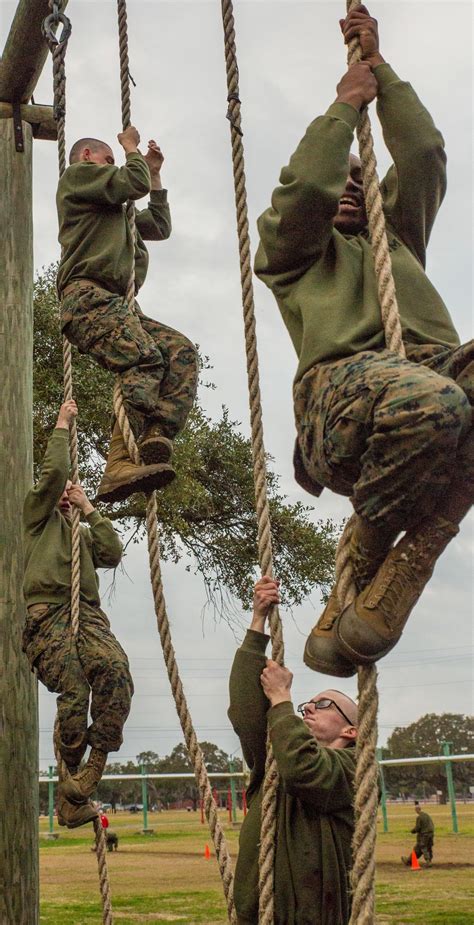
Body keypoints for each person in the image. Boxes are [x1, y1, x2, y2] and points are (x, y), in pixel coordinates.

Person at [254, 4, 473, 678]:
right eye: (339, 181)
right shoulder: (293, 254)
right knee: (435, 402)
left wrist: (381, 68)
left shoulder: (395, 238)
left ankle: (413, 555)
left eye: (361, 178)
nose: (350, 186)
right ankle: (370, 539)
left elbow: (425, 153)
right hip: (345, 404)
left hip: (432, 386)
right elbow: (302, 196)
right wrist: (344, 107)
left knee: (448, 400)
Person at [56, 127, 199, 504]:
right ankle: (117, 463)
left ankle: (155, 435)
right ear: (88, 157)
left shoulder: (118, 213)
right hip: (88, 298)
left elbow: (160, 226)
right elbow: (130, 182)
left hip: (118, 305)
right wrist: (132, 149)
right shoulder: (76, 179)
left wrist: (154, 176)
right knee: (144, 358)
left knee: (180, 353)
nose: (113, 167)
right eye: (109, 161)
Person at [22, 399, 134, 828]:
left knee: (115, 670)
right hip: (47, 616)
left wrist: (88, 508)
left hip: (87, 616)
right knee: (74, 688)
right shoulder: (36, 520)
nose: (64, 495)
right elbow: (51, 476)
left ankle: (89, 774)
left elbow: (112, 552)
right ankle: (68, 775)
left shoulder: (81, 535)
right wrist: (63, 423)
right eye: (62, 493)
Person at [228, 577, 358, 925]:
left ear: (351, 729)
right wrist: (258, 622)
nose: (309, 708)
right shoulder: (275, 761)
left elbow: (305, 770)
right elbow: (245, 714)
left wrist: (282, 699)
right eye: (306, 705)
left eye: (324, 704)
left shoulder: (354, 770)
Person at [402, 801, 434, 867]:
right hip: (431, 834)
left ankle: (428, 861)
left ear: (417, 810)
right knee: (419, 848)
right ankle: (409, 861)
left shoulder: (419, 817)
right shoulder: (426, 815)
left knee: (423, 847)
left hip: (424, 835)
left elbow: (417, 828)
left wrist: (412, 831)